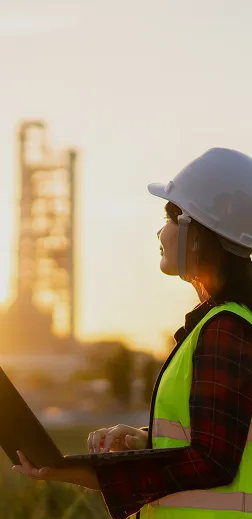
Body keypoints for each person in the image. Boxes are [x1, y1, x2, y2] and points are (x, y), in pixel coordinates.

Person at [13, 147, 252, 519]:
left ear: (196, 230)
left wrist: (79, 472)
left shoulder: (226, 331)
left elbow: (213, 461)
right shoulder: (225, 324)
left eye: (170, 218)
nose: (160, 232)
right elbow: (224, 439)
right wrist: (147, 441)